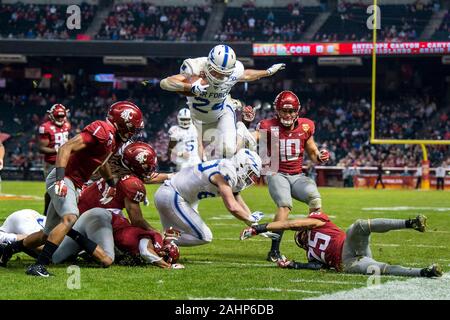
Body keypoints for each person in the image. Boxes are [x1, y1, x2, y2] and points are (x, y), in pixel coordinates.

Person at [0, 101, 144, 277]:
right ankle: (39, 266)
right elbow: (65, 147)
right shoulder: (102, 129)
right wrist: (60, 179)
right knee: (70, 218)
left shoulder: (113, 140)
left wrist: (111, 184)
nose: (133, 131)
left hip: (73, 182)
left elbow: (102, 163)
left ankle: (8, 250)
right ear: (123, 122)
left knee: (46, 235)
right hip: (64, 178)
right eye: (132, 127)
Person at [52, 142, 183, 269]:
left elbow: (147, 178)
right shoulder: (132, 183)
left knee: (55, 255)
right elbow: (137, 220)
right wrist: (154, 232)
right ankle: (91, 249)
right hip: (91, 219)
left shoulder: (117, 169)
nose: (150, 169)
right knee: (108, 256)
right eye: (147, 166)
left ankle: (72, 245)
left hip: (79, 213)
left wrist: (172, 176)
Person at [160, 44, 285, 159]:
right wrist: (189, 87)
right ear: (208, 64)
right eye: (216, 72)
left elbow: (247, 75)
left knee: (229, 150)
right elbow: (165, 83)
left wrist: (267, 72)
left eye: (223, 74)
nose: (219, 77)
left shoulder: (235, 70)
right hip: (197, 117)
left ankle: (241, 129)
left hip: (222, 112)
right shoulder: (195, 66)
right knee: (198, 159)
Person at [240, 212, 442, 278]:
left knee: (359, 226)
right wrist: (294, 265)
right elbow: (317, 266)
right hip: (347, 264)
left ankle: (410, 223)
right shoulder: (310, 253)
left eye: (300, 235)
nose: (300, 238)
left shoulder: (317, 222)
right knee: (381, 268)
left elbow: (291, 223)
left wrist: (259, 228)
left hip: (349, 245)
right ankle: (425, 272)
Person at [255, 91, 330, 262]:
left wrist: (319, 156)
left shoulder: (306, 126)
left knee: (315, 200)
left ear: (297, 111)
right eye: (284, 110)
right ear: (277, 110)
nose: (287, 114)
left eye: (291, 111)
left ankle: (313, 245)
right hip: (276, 173)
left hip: (297, 175)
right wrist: (243, 130)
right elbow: (254, 137)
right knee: (285, 206)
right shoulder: (268, 125)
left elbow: (312, 151)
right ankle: (274, 250)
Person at [154, 148, 263, 246]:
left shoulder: (229, 169)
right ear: (241, 165)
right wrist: (250, 218)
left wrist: (256, 226)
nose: (250, 177)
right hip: (173, 195)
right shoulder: (226, 173)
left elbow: (239, 202)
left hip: (180, 197)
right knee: (203, 236)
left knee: (176, 233)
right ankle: (157, 240)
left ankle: (155, 243)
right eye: (249, 171)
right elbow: (232, 206)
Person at [38, 104, 71, 216]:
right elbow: (41, 148)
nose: (60, 119)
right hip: (51, 162)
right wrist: (59, 150)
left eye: (62, 116)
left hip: (65, 161)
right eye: (58, 116)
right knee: (51, 190)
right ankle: (46, 213)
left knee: (66, 188)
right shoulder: (45, 127)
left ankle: (61, 212)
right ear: (52, 116)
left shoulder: (67, 125)